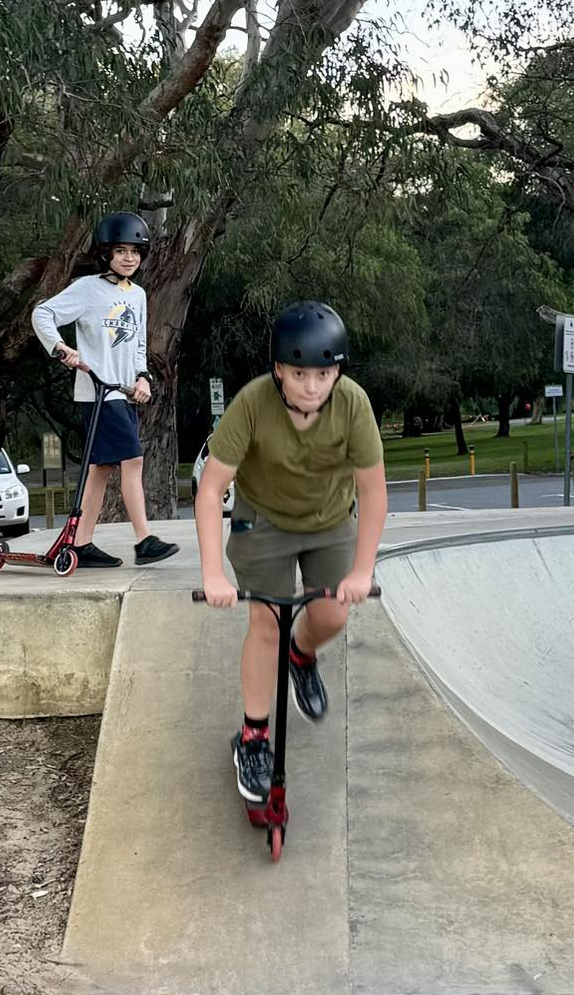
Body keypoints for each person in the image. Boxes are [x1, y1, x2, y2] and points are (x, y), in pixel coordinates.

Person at [195, 301, 387, 803]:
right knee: (266, 622)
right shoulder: (253, 403)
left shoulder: (353, 405)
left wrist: (363, 570)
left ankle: (301, 657)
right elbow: (212, 488)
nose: (312, 385)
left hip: (329, 523)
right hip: (264, 522)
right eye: (300, 373)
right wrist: (214, 573)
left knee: (332, 616)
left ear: (337, 371)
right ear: (278, 369)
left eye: (324, 373)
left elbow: (373, 492)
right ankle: (253, 738)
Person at [32, 211, 179, 568]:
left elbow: (138, 345)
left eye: (135, 251)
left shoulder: (139, 295)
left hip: (123, 393)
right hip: (98, 395)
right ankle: (145, 540)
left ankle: (80, 544)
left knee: (101, 469)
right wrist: (61, 348)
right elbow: (42, 314)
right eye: (121, 250)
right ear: (106, 254)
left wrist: (143, 378)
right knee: (134, 458)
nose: (129, 258)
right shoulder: (87, 289)